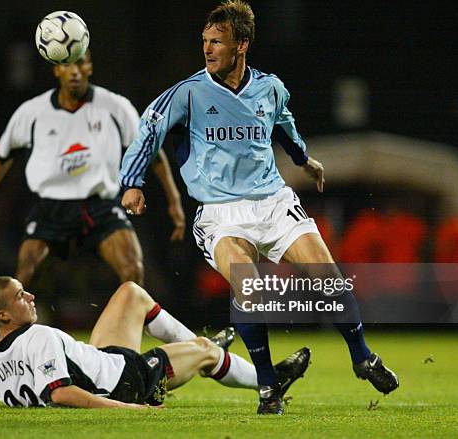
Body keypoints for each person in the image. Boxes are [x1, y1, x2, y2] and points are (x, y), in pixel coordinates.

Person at [119, 0, 398, 415]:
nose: (208, 49)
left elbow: (285, 127)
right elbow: (149, 128)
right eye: (205, 42)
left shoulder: (270, 88)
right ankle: (269, 387)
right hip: (219, 212)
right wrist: (132, 182)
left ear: (242, 45)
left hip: (273, 202)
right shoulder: (189, 92)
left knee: (329, 279)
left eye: (218, 42)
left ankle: (362, 357)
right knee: (250, 289)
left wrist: (305, 160)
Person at [0, 50, 185, 287]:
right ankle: (9, 325)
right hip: (51, 209)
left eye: (80, 63)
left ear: (90, 67)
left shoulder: (115, 106)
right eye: (66, 65)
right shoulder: (32, 112)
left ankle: (133, 323)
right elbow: (4, 154)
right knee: (24, 276)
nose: (74, 71)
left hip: (100, 207)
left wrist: (173, 199)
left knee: (133, 270)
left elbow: (151, 152)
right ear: (56, 70)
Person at [0, 276, 310, 408]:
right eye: (20, 296)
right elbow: (61, 394)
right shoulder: (40, 336)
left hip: (102, 360)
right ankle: (269, 379)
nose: (30, 297)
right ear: (3, 316)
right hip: (126, 382)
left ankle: (196, 345)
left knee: (130, 293)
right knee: (208, 354)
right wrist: (132, 410)